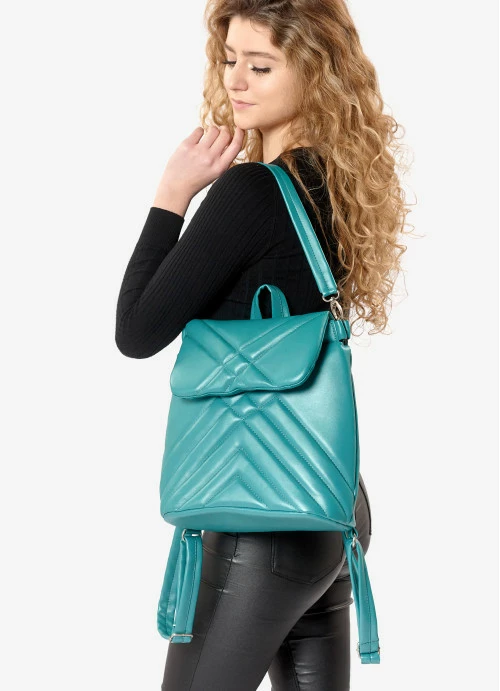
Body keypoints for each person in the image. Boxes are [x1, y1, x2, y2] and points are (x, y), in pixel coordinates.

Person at [115, 2, 411, 689]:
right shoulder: (333, 185)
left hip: (259, 518)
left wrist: (171, 195)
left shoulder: (251, 191)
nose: (236, 80)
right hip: (333, 508)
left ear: (314, 71)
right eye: (229, 60)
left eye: (261, 65)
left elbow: (137, 331)